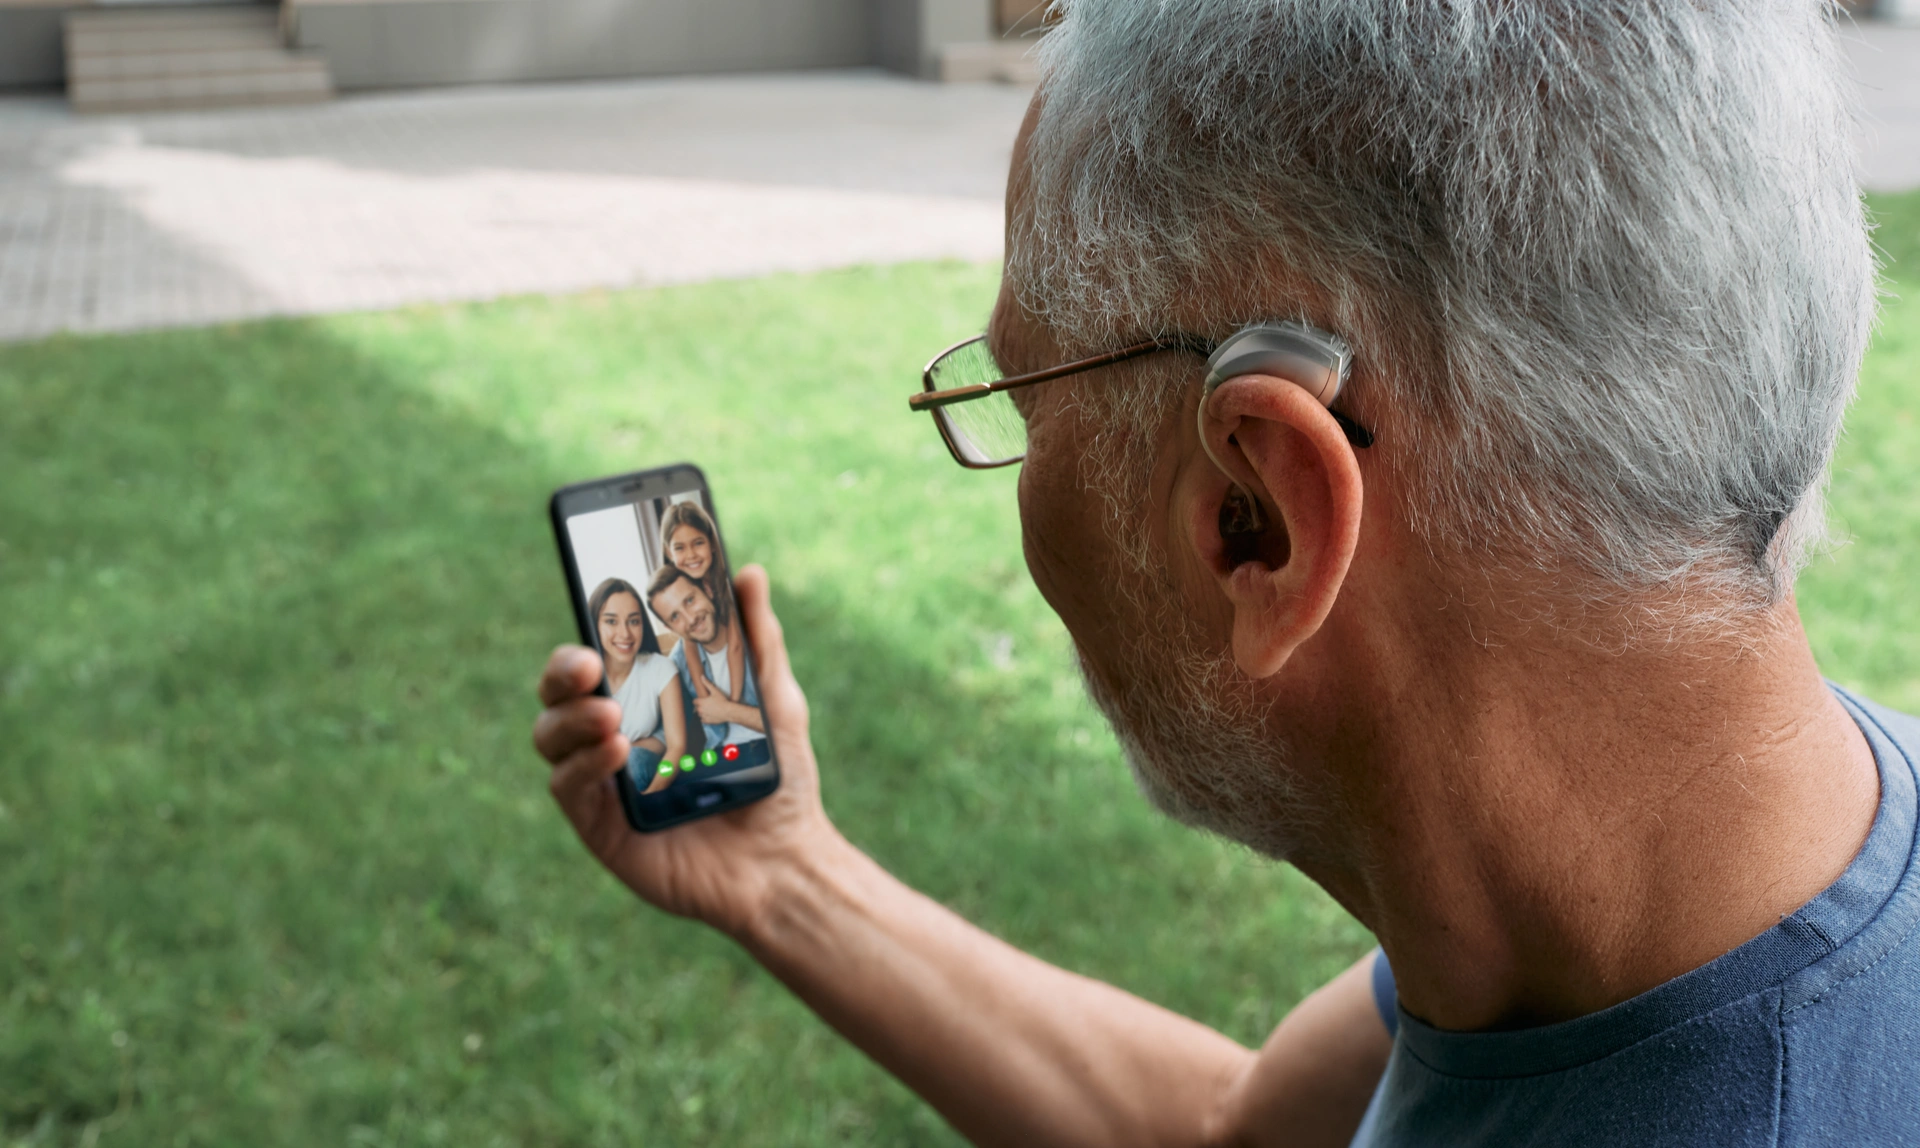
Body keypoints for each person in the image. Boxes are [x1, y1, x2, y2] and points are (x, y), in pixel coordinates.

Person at [534, 3, 1919, 1145]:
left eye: (1025, 400)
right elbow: (1235, 1132)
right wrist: (789, 878)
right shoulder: (1661, 880)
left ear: (1255, 519)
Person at [644, 565, 769, 766]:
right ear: (669, 627)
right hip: (721, 760)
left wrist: (728, 710)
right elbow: (668, 726)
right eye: (675, 617)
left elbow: (786, 720)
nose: (691, 618)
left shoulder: (754, 631)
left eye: (690, 600)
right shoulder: (678, 662)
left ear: (707, 590)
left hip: (771, 751)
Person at [585, 577, 686, 795]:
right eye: (611, 621)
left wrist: (653, 794)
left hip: (642, 774)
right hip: (600, 777)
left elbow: (676, 748)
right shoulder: (586, 676)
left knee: (635, 760)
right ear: (594, 623)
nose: (625, 634)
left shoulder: (661, 669)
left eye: (633, 621)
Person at [658, 499, 743, 713]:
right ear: (669, 553)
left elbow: (735, 647)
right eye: (680, 548)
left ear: (712, 544)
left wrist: (730, 705)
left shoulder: (725, 584)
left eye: (698, 543)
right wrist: (707, 702)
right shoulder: (678, 589)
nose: (691, 555)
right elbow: (691, 651)